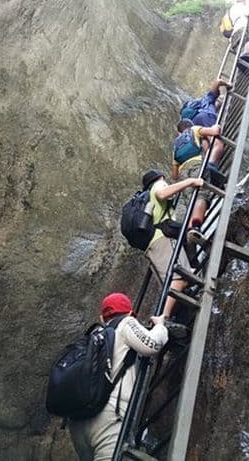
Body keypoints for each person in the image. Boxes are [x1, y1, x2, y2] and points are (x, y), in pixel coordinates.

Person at [68, 292, 169, 461]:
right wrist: (160, 326)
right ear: (130, 313)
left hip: (78, 423)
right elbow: (152, 345)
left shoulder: (92, 337)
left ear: (102, 318)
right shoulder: (125, 323)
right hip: (109, 418)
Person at [141, 169, 204, 319]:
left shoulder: (146, 200)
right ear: (160, 178)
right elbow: (162, 193)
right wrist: (190, 181)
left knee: (175, 282)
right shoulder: (158, 185)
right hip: (161, 238)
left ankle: (171, 316)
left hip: (152, 244)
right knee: (179, 278)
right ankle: (164, 317)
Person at [170, 120, 222, 245]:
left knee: (189, 200)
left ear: (179, 132)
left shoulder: (176, 145)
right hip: (197, 165)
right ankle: (195, 227)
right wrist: (216, 126)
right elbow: (214, 131)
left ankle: (187, 235)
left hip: (183, 174)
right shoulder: (194, 129)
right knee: (201, 195)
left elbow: (174, 175)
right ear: (190, 125)